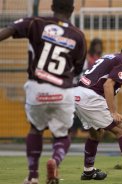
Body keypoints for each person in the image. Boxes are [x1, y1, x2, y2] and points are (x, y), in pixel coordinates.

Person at [0, 1, 87, 184]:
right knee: (62, 135)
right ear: (72, 10)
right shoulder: (78, 36)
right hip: (63, 91)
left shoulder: (36, 23)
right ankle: (55, 160)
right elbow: (78, 69)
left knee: (35, 129)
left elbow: (7, 31)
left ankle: (32, 176)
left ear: (52, 6)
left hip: (37, 89)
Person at [74, 37, 122, 181]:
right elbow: (108, 85)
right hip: (90, 97)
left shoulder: (114, 57)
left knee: (96, 133)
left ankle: (88, 172)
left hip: (78, 93)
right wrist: (113, 112)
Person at [70, 38, 104, 139]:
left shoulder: (102, 58)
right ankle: (65, 144)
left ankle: (92, 145)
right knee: (74, 124)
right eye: (96, 45)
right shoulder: (85, 59)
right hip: (79, 91)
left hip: (92, 92)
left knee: (94, 125)